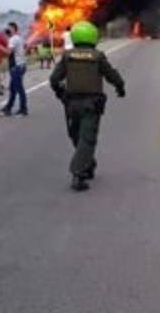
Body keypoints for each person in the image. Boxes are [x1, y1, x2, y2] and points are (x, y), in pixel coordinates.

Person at [50, 21, 125, 192]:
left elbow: (54, 79)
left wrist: (59, 92)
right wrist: (120, 87)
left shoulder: (67, 56)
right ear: (93, 37)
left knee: (76, 136)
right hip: (91, 105)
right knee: (87, 138)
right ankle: (79, 172)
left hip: (71, 104)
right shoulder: (97, 56)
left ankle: (85, 165)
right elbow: (111, 74)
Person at [1, 22, 28, 117]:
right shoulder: (18, 38)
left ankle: (23, 109)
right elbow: (25, 47)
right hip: (20, 65)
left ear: (14, 29)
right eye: (7, 28)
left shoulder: (13, 39)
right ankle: (8, 107)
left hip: (16, 67)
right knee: (12, 89)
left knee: (19, 89)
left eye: (10, 28)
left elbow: (8, 52)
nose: (7, 30)